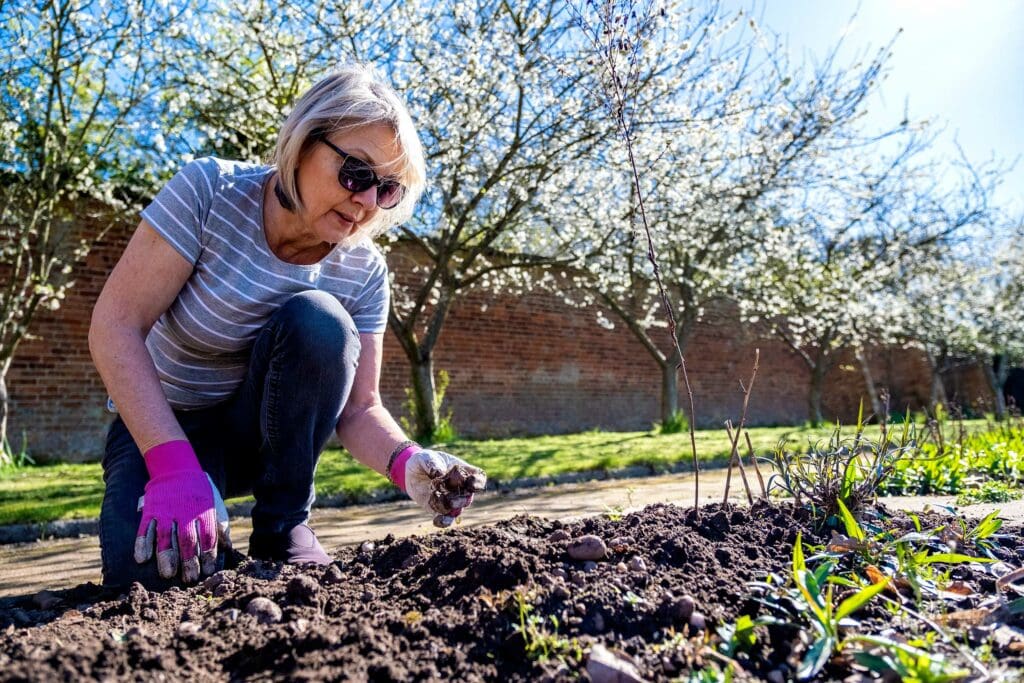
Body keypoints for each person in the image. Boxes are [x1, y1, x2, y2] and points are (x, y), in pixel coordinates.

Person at [89, 64, 487, 589]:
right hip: (162, 428)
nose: (367, 202)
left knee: (320, 321)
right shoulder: (209, 193)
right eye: (357, 173)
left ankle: (283, 525)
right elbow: (115, 325)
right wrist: (170, 465)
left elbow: (359, 407)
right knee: (147, 576)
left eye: (386, 189)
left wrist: (407, 462)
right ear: (301, 144)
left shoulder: (363, 270)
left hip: (265, 441)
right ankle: (196, 509)